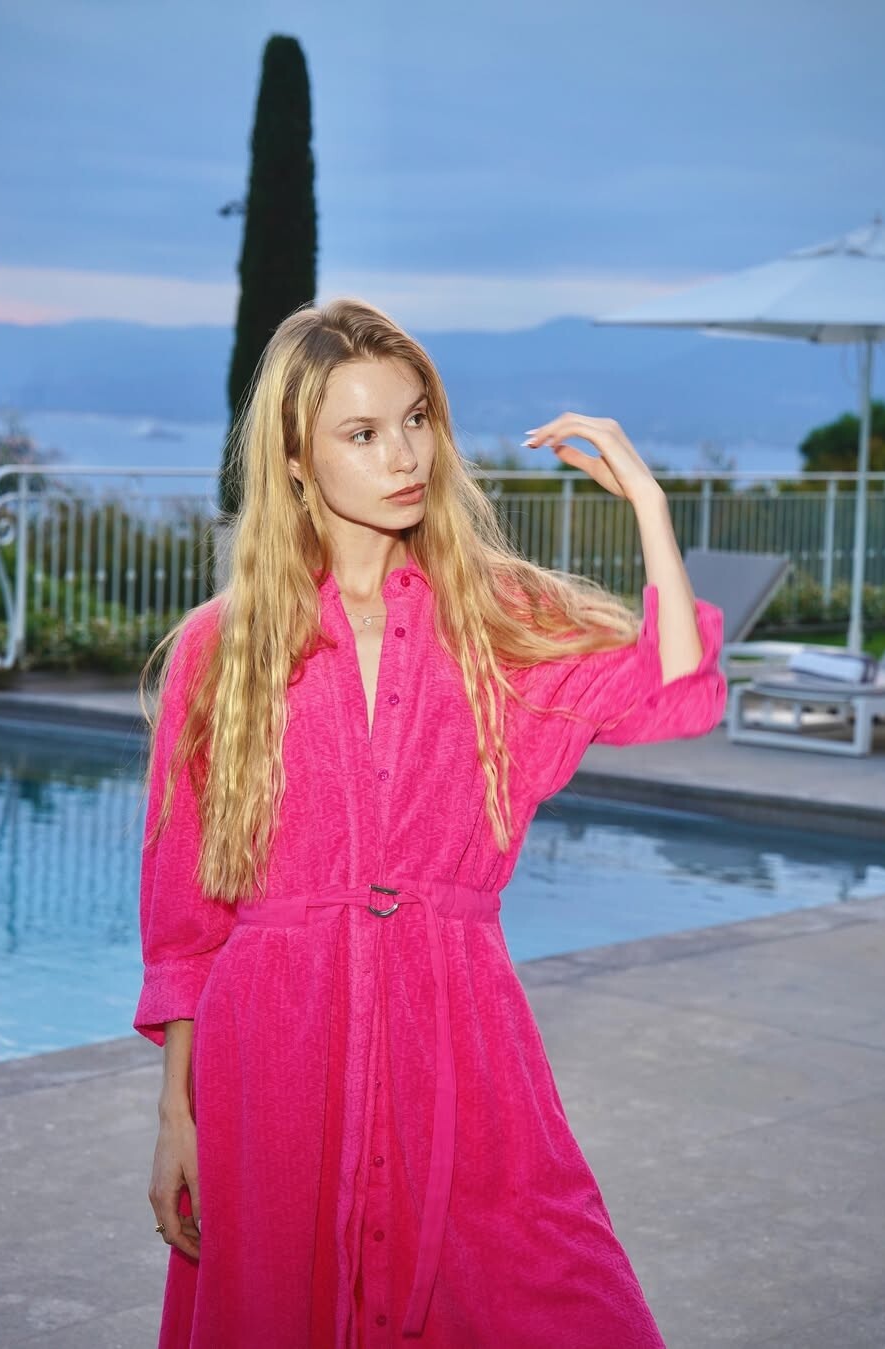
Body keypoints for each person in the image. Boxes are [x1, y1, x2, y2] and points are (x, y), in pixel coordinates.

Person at [134, 296, 727, 1348]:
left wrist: (648, 501)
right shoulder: (220, 650)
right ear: (296, 461)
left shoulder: (497, 619)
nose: (405, 455)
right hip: (273, 1050)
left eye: (416, 419)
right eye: (363, 433)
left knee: (558, 1289)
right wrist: (176, 1116)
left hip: (459, 1032)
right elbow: (186, 923)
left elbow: (677, 688)